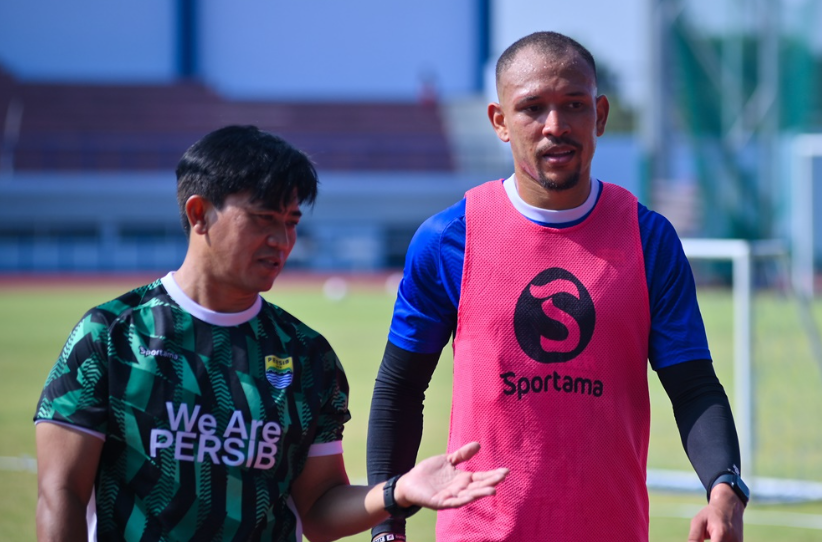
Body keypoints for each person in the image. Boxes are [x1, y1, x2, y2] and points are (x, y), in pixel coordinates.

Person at [33, 125, 509, 542]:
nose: (282, 241)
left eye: (291, 222)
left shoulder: (307, 355)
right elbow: (60, 494)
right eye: (264, 219)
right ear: (199, 213)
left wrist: (396, 492)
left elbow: (319, 511)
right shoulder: (112, 336)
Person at [367, 31, 748, 542]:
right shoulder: (447, 240)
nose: (555, 126)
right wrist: (387, 529)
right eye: (531, 108)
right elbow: (400, 389)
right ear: (499, 122)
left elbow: (694, 385)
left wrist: (724, 487)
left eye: (574, 104)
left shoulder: (648, 237)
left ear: (601, 114)